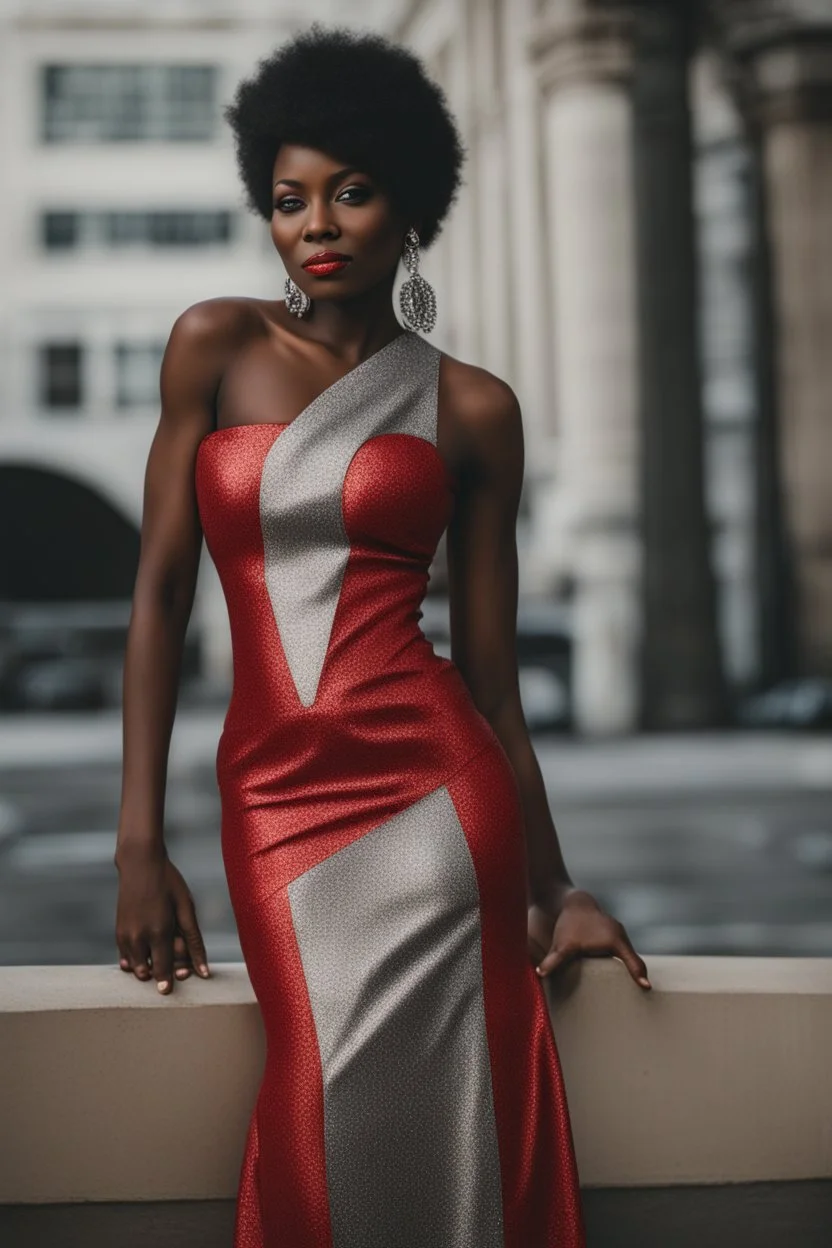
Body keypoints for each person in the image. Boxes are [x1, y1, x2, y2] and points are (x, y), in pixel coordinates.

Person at [114, 23, 651, 1248]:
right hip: (273, 801)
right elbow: (158, 598)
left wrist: (553, 884)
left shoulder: (472, 407)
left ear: (408, 205)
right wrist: (138, 844)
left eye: (350, 192)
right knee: (314, 1101)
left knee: (455, 1111)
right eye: (288, 198)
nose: (315, 223)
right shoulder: (215, 343)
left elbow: (495, 682)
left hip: (437, 799)